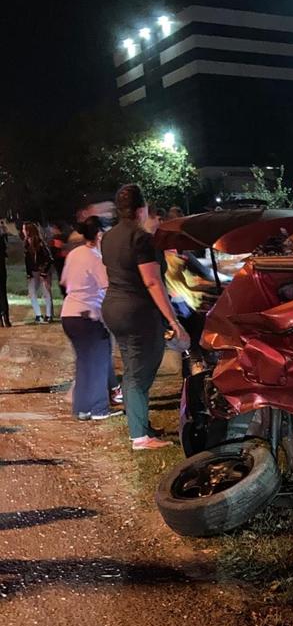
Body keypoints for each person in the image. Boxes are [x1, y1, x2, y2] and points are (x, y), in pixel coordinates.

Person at [101, 183, 190, 451]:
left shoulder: (108, 237)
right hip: (137, 311)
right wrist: (173, 321)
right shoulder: (141, 239)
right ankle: (139, 436)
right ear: (142, 209)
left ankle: (140, 425)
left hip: (113, 308)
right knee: (141, 372)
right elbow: (152, 282)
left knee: (132, 368)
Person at [60, 216, 121, 422]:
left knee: (84, 362)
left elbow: (65, 281)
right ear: (99, 235)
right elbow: (107, 287)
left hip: (69, 314)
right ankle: (99, 409)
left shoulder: (75, 253)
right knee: (99, 362)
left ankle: (82, 408)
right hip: (88, 316)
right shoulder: (96, 258)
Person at [22, 222, 54, 323]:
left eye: (24, 229)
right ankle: (38, 315)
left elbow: (49, 259)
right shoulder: (26, 243)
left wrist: (44, 272)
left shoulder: (40, 243)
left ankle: (48, 315)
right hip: (33, 272)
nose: (22, 231)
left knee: (46, 293)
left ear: (28, 231)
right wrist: (29, 273)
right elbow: (28, 261)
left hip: (42, 272)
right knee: (32, 293)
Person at [0, 221, 10, 327]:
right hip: (1, 269)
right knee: (3, 293)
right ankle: (6, 318)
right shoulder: (1, 239)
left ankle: (1, 320)